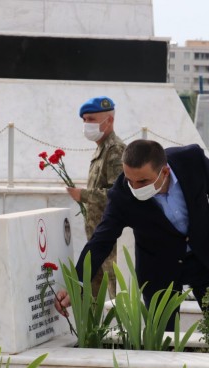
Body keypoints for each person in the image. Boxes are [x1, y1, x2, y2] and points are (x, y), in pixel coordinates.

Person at [56, 139, 209, 330]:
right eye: (129, 180)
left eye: (143, 181)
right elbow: (101, 241)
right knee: (162, 341)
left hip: (206, 258)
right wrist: (77, 284)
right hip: (159, 269)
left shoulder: (191, 159)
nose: (135, 187)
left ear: (164, 171)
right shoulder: (122, 195)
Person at [65, 96, 126, 298]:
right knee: (92, 299)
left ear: (109, 120)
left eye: (91, 119)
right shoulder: (102, 148)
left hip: (110, 240)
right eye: (84, 120)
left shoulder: (115, 149)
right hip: (97, 236)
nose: (86, 124)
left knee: (115, 295)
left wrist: (82, 195)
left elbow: (117, 194)